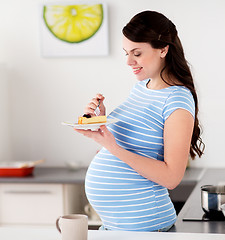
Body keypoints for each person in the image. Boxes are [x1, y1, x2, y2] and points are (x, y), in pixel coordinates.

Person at [75, 10, 205, 232]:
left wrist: (111, 146)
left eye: (136, 53)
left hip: (145, 227)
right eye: (126, 52)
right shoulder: (141, 88)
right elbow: (125, 150)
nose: (128, 61)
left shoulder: (177, 100)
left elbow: (172, 177)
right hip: (116, 226)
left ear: (163, 49)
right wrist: (100, 123)